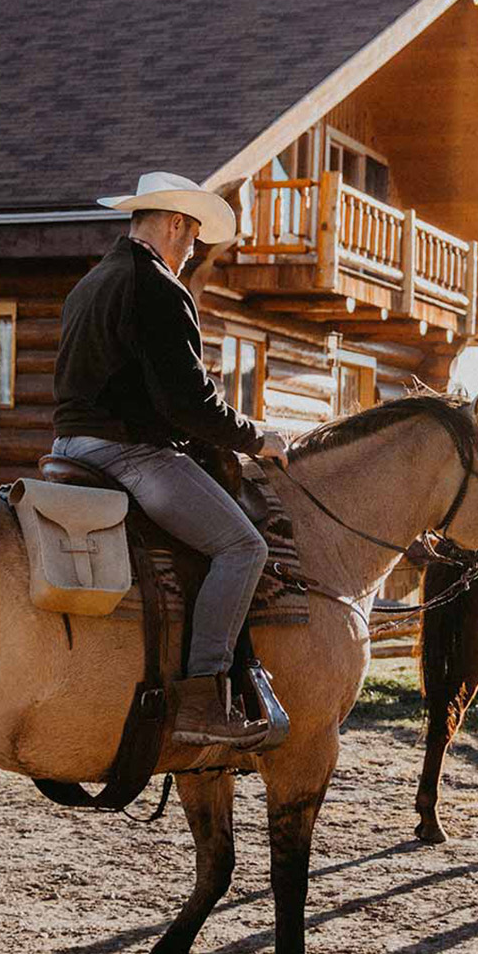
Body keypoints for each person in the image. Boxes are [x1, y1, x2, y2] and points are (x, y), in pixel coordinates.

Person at [51, 171, 291, 746]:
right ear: (175, 224)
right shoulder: (157, 285)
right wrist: (259, 439)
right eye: (191, 240)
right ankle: (203, 702)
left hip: (67, 448)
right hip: (128, 454)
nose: (190, 254)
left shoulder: (92, 282)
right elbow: (188, 403)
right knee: (242, 547)